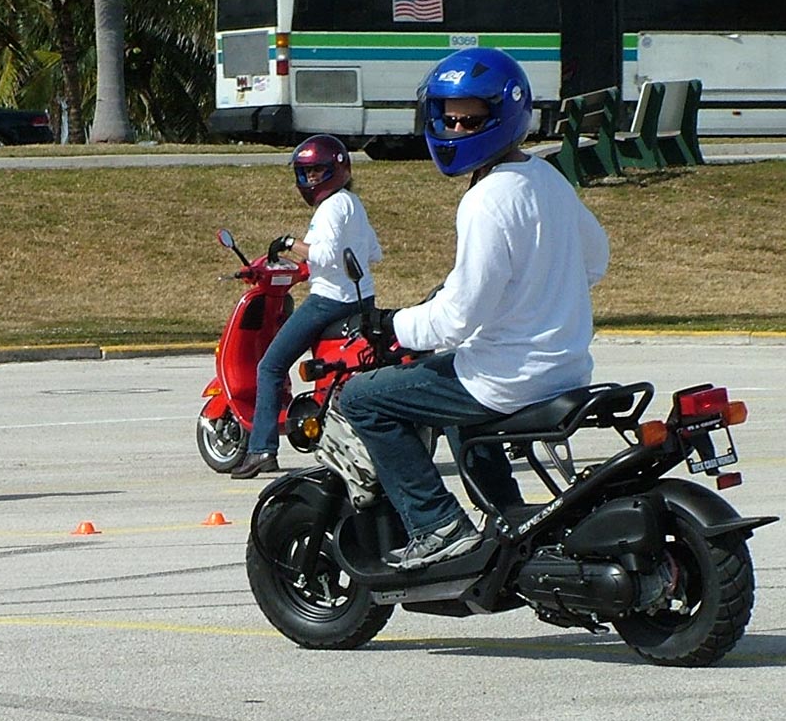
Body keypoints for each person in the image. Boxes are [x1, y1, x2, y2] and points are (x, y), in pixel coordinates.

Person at [339, 47, 610, 570]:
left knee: (364, 398)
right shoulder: (546, 177)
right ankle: (509, 520)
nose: (456, 129)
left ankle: (436, 525)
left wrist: (393, 324)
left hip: (509, 378)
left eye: (471, 119)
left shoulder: (486, 200)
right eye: (449, 117)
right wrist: (535, 293)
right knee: (455, 400)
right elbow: (595, 259)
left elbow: (457, 318)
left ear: (503, 116)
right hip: (567, 368)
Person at [230, 135, 383, 479]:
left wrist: (289, 243)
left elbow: (324, 255)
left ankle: (261, 450)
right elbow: (374, 253)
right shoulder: (353, 203)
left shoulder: (329, 208)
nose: (311, 178)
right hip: (362, 299)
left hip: (330, 301)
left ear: (336, 169)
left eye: (317, 171)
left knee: (270, 366)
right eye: (305, 172)